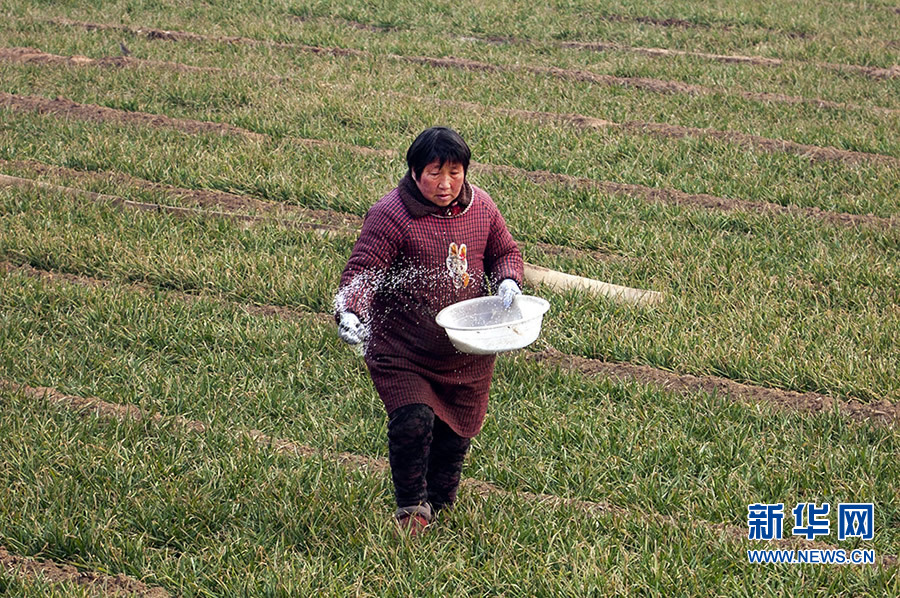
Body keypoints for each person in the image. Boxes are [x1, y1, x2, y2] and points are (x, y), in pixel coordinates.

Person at [334, 126, 524, 535]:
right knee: (414, 421)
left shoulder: (482, 208)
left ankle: (439, 504)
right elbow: (364, 271)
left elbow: (504, 252)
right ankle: (411, 509)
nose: (445, 184)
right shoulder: (391, 215)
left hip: (466, 348)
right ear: (415, 172)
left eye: (455, 173)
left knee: (455, 435)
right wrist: (350, 311)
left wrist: (508, 280)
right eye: (435, 173)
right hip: (404, 348)